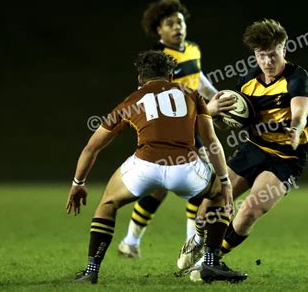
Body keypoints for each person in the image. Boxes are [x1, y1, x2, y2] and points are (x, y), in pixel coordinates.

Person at [66, 51, 246, 284]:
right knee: (219, 195)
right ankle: (210, 263)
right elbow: (212, 142)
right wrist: (224, 182)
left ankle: (91, 270)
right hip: (185, 167)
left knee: (108, 203)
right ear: (171, 76)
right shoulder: (192, 95)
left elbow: (92, 148)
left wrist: (78, 184)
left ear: (141, 78)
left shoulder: (131, 101)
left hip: (145, 167)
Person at [177, 19, 308, 275]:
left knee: (251, 208)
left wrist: (295, 128)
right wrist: (216, 114)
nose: (267, 62)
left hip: (286, 158)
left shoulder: (298, 78)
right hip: (252, 149)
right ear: (255, 54)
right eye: (261, 56)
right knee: (212, 200)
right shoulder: (248, 80)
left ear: (284, 49)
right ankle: (197, 241)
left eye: (273, 54)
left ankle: (211, 260)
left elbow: (300, 111)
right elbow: (232, 124)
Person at [118, 0, 235, 258]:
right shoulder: (157, 59)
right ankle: (191, 248)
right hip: (172, 130)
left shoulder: (192, 49)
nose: (176, 27)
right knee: (200, 184)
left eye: (179, 22)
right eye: (169, 24)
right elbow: (147, 94)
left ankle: (130, 242)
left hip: (193, 125)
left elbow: (200, 81)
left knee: (160, 189)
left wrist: (219, 98)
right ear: (158, 30)